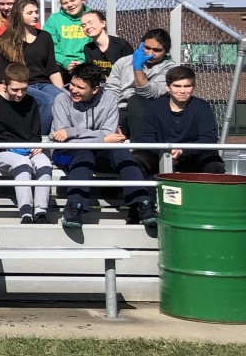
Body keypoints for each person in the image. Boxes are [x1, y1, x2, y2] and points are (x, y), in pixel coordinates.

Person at [51, 63, 153, 230]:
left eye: (80, 87)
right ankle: (74, 207)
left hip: (99, 151)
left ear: (95, 89)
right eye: (72, 85)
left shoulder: (109, 99)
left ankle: (142, 204)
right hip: (67, 152)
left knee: (124, 155)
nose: (73, 90)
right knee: (83, 155)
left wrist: (72, 132)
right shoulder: (61, 99)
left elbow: (108, 132)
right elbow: (62, 138)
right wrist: (102, 139)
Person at [0, 64, 54, 223]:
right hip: (0, 153)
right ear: (4, 85)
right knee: (23, 163)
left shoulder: (31, 102)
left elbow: (35, 133)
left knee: (45, 163)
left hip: (27, 150)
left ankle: (40, 211)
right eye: (15, 90)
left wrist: (35, 145)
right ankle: (26, 213)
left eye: (24, 89)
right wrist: (9, 147)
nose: (20, 94)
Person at [137, 65, 224, 176]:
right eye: (177, 86)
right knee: (136, 159)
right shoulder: (153, 107)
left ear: (193, 87)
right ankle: (139, 193)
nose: (182, 91)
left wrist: (183, 151)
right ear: (168, 87)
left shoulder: (202, 107)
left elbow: (208, 139)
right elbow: (146, 137)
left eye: (187, 86)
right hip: (158, 155)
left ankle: (211, 193)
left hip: (193, 156)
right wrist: (164, 151)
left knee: (213, 162)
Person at [0, 0, 64, 124]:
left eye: (36, 12)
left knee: (63, 99)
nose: (35, 16)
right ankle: (39, 140)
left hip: (44, 83)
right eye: (30, 13)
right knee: (48, 101)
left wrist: (61, 92)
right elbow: (2, 72)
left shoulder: (45, 37)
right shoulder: (5, 41)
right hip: (22, 85)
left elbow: (52, 68)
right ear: (19, 15)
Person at [104, 28, 175, 140]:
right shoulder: (124, 62)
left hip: (149, 111)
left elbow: (148, 94)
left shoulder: (169, 68)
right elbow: (112, 91)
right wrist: (111, 119)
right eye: (147, 48)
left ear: (165, 51)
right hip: (121, 110)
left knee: (136, 101)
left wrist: (138, 68)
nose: (150, 53)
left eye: (157, 50)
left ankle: (140, 149)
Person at [42, 0, 90, 75]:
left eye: (72, 0)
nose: (70, 5)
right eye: (65, 3)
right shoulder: (54, 20)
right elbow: (49, 46)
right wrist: (65, 62)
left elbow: (95, 44)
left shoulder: (92, 17)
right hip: (60, 63)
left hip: (86, 62)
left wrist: (82, 61)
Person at [78, 9, 134, 80]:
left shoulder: (120, 45)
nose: (87, 27)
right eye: (83, 25)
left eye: (90, 22)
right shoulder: (88, 48)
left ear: (103, 23)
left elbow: (131, 71)